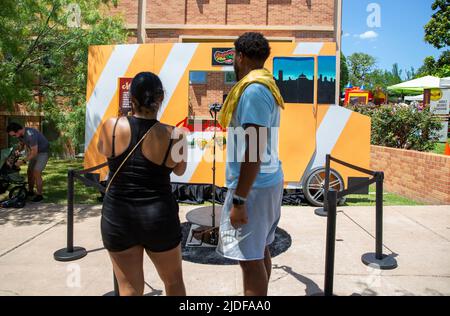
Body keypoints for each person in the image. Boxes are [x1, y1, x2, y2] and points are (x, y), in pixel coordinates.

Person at [97, 72, 188, 296]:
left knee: (129, 288)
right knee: (173, 282)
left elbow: (103, 150)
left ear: (132, 99)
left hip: (118, 216)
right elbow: (180, 169)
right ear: (161, 98)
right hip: (159, 217)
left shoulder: (111, 125)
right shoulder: (175, 135)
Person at [216, 32, 285, 296]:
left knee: (249, 261)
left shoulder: (254, 90)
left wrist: (239, 200)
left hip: (253, 189)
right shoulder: (264, 84)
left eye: (234, 56)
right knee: (260, 250)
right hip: (266, 181)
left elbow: (253, 151)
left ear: (240, 56)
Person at [6, 122, 49, 202]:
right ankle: (30, 192)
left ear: (18, 131)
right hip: (34, 153)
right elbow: (22, 144)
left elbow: (34, 152)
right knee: (29, 172)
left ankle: (39, 195)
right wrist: (18, 150)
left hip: (43, 153)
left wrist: (22, 161)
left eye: (14, 135)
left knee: (36, 172)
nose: (14, 137)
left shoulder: (30, 135)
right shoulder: (20, 135)